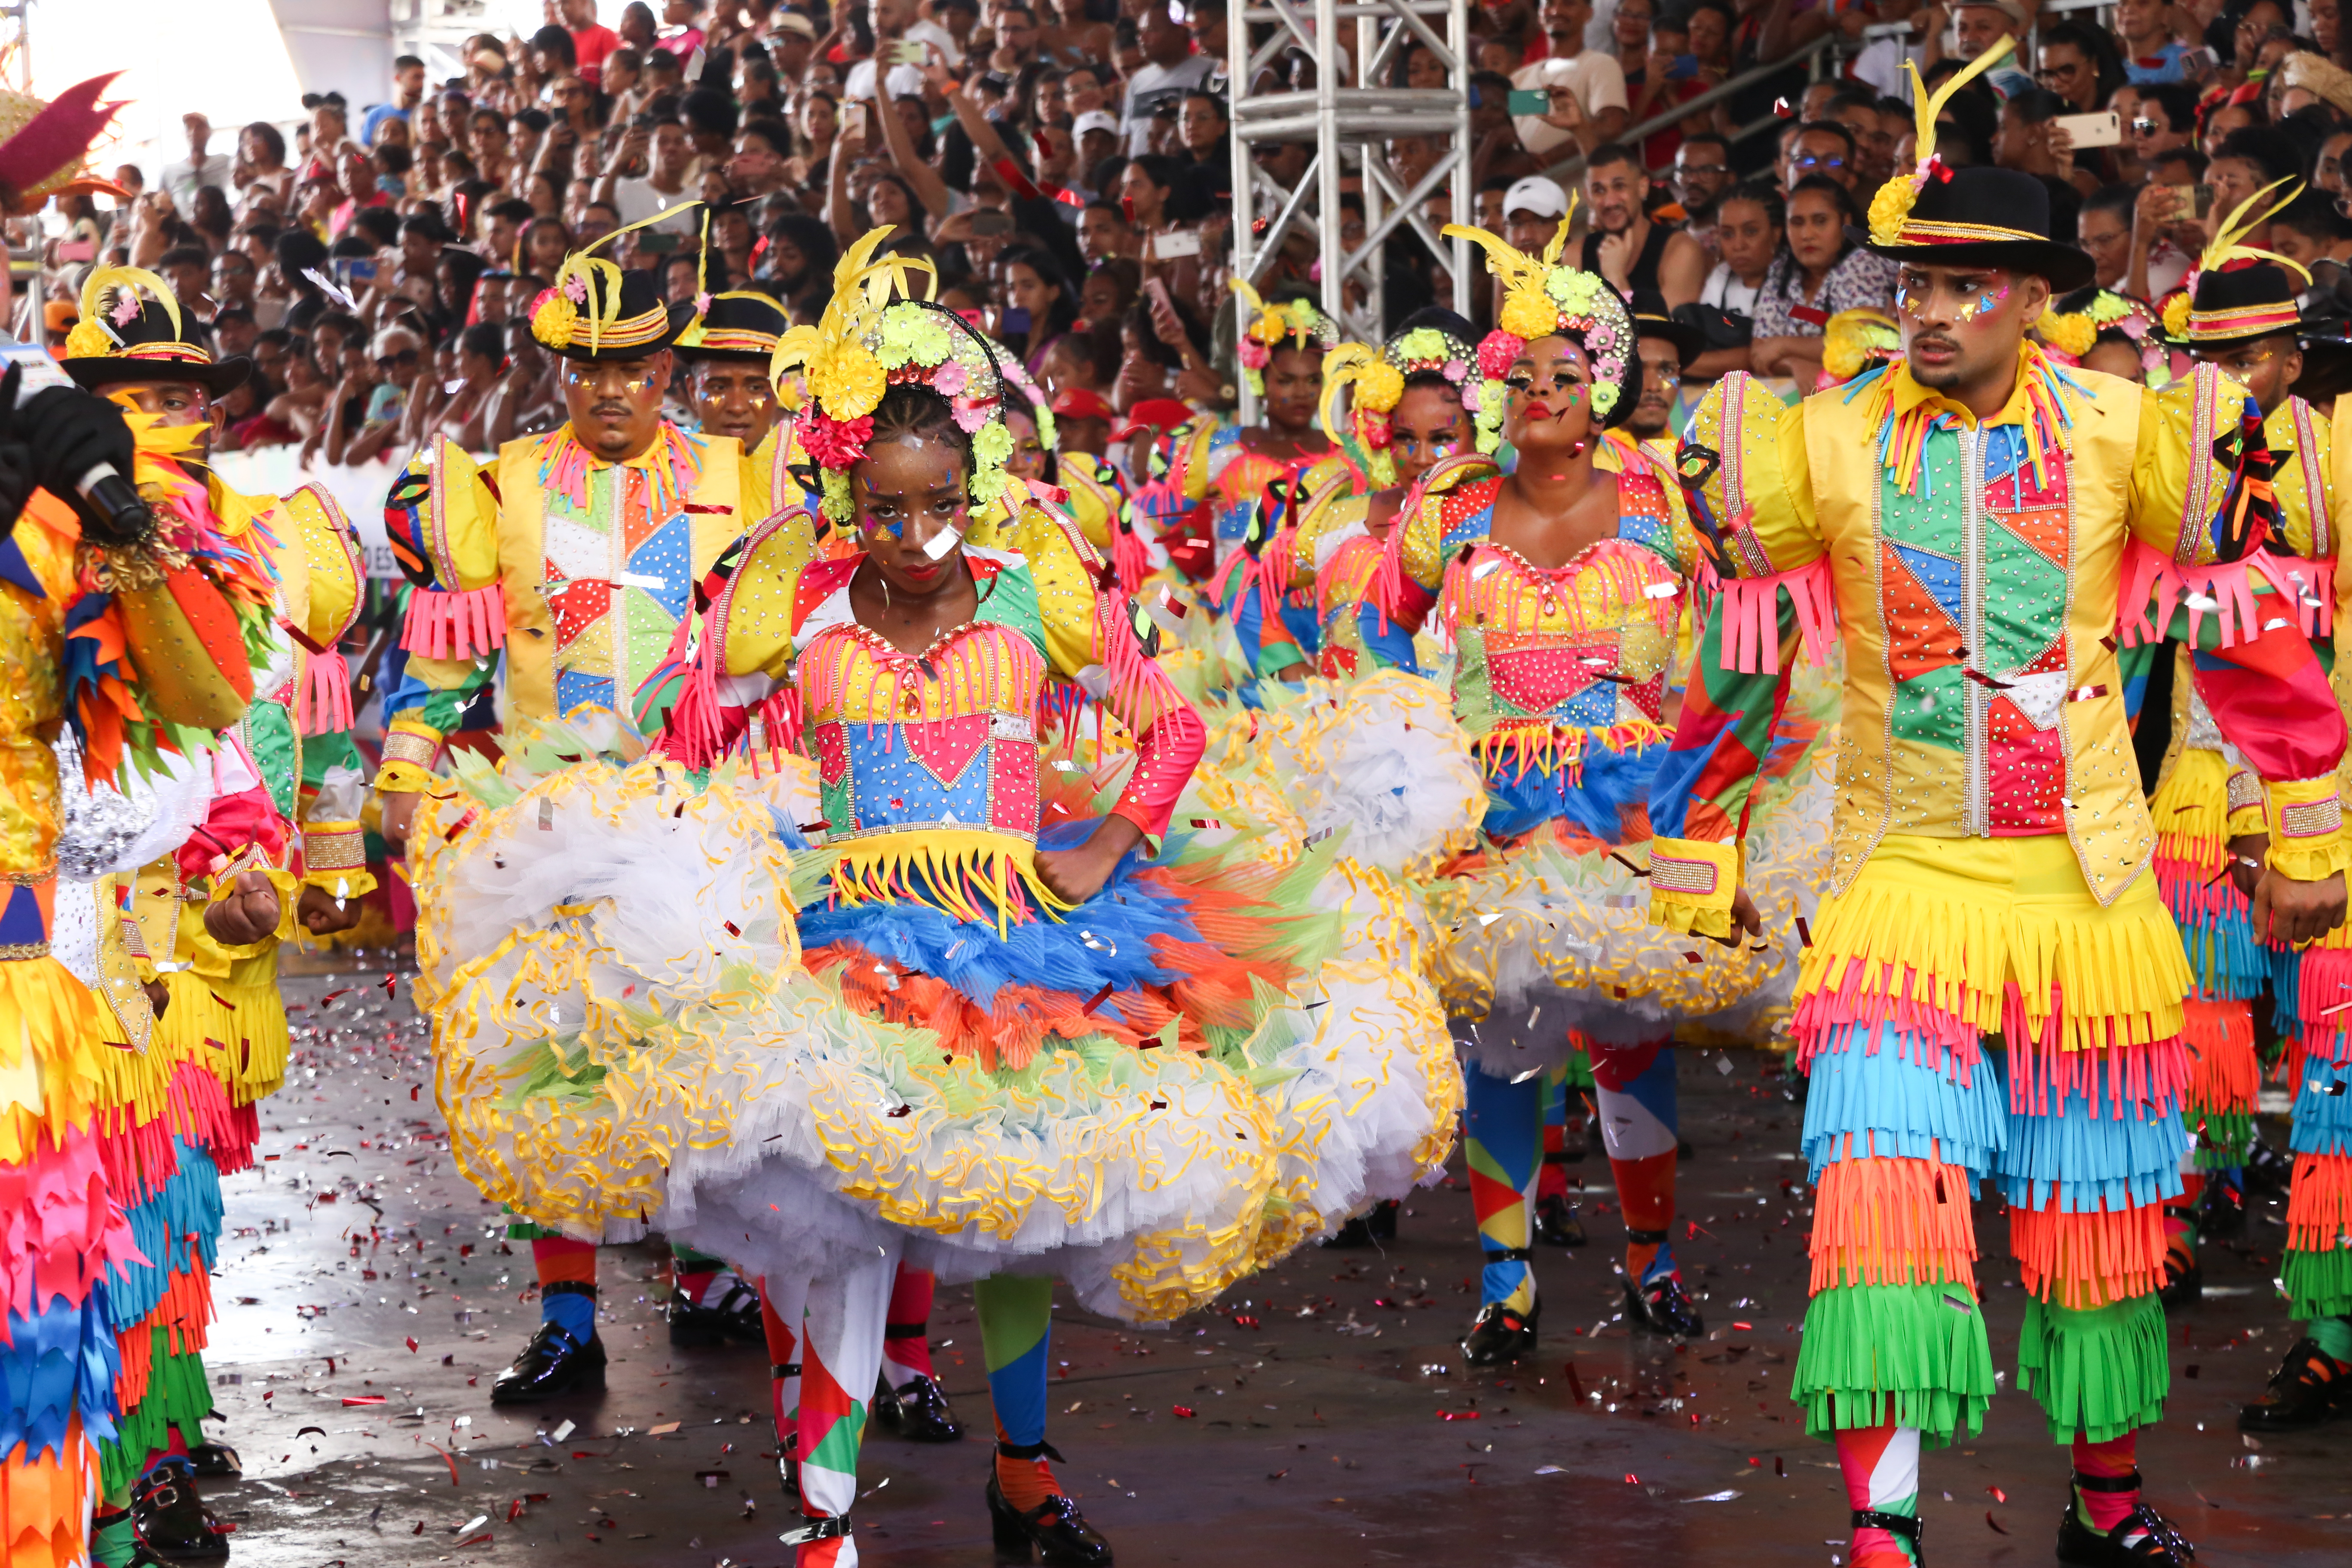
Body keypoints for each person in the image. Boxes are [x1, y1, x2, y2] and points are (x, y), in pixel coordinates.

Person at [403, 229, 1459, 1568]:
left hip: (1028, 947)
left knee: (1024, 1215)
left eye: (940, 503)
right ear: (850, 500)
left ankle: (1023, 1474)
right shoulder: (806, 607)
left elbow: (1172, 728)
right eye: (887, 509)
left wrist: (1112, 838)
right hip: (847, 945)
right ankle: (826, 1514)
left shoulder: (1037, 598)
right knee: (833, 1219)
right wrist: (727, 840)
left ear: (976, 483)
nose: (916, 536)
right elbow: (685, 755)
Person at [1648, 42, 2348, 1568]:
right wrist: (1700, 841)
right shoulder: (1814, 437)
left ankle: (2104, 1504)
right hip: (1898, 883)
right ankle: (1880, 1532)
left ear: (2032, 297)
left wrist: (2302, 829)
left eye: (1970, 287)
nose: (1936, 309)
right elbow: (1741, 655)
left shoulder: (2128, 433)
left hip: (2084, 901)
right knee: (1882, 1211)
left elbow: (2234, 618)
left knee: (2091, 1241)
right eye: (1917, 285)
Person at [1362, 215, 1827, 1363]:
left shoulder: (1664, 500)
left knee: (1630, 1042)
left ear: (1604, 385)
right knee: (1504, 1044)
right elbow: (1381, 626)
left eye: (1564, 373)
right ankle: (1507, 1282)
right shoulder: (1453, 505)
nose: (1539, 392)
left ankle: (1651, 1264)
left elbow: (1743, 638)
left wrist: (1712, 788)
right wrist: (1402, 750)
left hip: (1636, 809)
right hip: (1495, 817)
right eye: (1519, 375)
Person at [369, 248, 772, 1403]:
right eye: (586, 366)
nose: (610, 388)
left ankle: (709, 1275)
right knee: (550, 1058)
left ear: (665, 366)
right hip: (542, 825)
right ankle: (567, 1318)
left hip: (698, 816)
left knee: (699, 1050)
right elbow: (443, 662)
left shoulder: (744, 484)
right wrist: (406, 771)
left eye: (634, 365)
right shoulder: (497, 488)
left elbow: (780, 654)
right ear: (560, 367)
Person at [57, 263, 370, 1568]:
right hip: (81, 925)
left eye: (182, 391)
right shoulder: (45, 542)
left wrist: (323, 864)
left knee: (182, 1194)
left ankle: (165, 1426)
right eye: (131, 396)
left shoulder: (280, 536)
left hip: (215, 912)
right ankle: (105, 1454)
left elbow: (316, 718)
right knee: (95, 1201)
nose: (163, 415)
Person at [1579, 143, 1705, 306]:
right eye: (1599, 191)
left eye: (1619, 186)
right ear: (1588, 197)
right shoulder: (1576, 255)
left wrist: (1616, 278)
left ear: (1643, 187)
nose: (1610, 202)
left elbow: (1666, 331)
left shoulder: (1681, 251)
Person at [1120, 1, 1214, 156]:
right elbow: (1127, 137)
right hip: (1143, 174)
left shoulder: (1209, 71)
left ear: (1179, 32)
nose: (1142, 38)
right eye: (1140, 32)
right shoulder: (1138, 80)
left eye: (1151, 30)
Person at [159, 112, 231, 210]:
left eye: (200, 128)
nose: (194, 132)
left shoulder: (225, 163)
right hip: (184, 223)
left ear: (209, 133)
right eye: (189, 128)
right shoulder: (169, 172)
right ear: (184, 134)